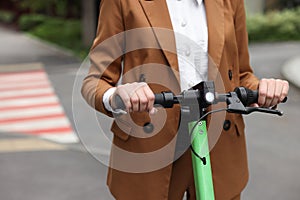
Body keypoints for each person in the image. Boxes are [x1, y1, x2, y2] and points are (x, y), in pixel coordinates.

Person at [81, 0, 289, 199]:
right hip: (150, 146)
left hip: (221, 145)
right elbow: (95, 81)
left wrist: (264, 88)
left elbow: (241, 74)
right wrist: (118, 96)